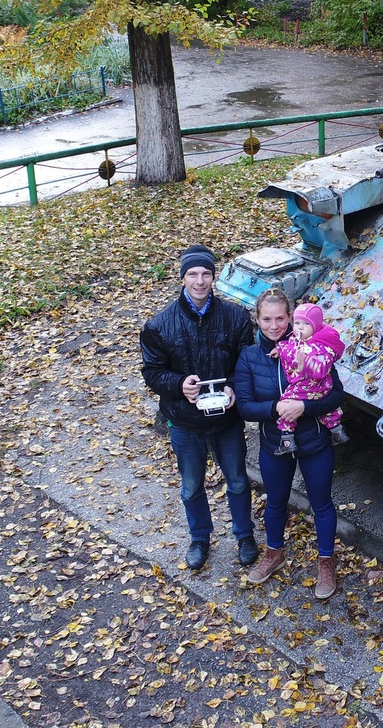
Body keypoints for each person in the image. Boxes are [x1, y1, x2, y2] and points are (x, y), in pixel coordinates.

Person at [140, 245, 259, 572]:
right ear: (182, 278)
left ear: (213, 277)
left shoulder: (235, 317)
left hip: (226, 418)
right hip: (185, 420)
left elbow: (247, 362)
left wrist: (235, 387)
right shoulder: (159, 325)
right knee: (192, 484)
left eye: (206, 273)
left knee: (237, 479)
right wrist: (180, 385)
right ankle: (200, 537)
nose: (200, 280)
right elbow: (152, 372)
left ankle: (244, 535)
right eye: (193, 274)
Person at [234, 288, 346, 600]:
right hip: (274, 443)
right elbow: (244, 406)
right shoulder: (249, 357)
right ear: (257, 319)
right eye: (266, 319)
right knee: (276, 501)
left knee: (321, 503)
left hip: (313, 440)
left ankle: (325, 561)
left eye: (280, 318)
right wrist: (276, 409)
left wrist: (305, 408)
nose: (274, 326)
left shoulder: (313, 347)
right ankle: (274, 552)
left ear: (290, 317)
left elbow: (336, 394)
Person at [269, 303, 348, 454]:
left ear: (316, 326)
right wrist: (279, 348)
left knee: (287, 402)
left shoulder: (320, 346)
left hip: (315, 384)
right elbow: (290, 347)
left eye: (306, 324)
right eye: (297, 322)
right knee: (327, 412)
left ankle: (287, 439)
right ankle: (337, 432)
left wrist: (305, 363)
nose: (300, 327)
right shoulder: (298, 340)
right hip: (316, 386)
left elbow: (321, 368)